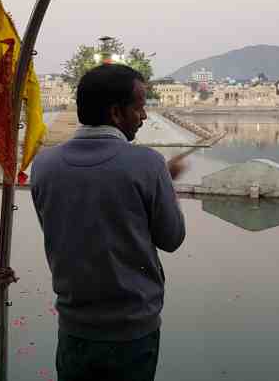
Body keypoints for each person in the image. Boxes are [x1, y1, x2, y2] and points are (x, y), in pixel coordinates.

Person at [30, 64, 188, 381]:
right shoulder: (148, 163)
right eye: (140, 107)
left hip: (74, 329)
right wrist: (164, 186)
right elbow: (172, 238)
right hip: (132, 333)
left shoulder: (44, 164)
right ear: (117, 112)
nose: (144, 116)